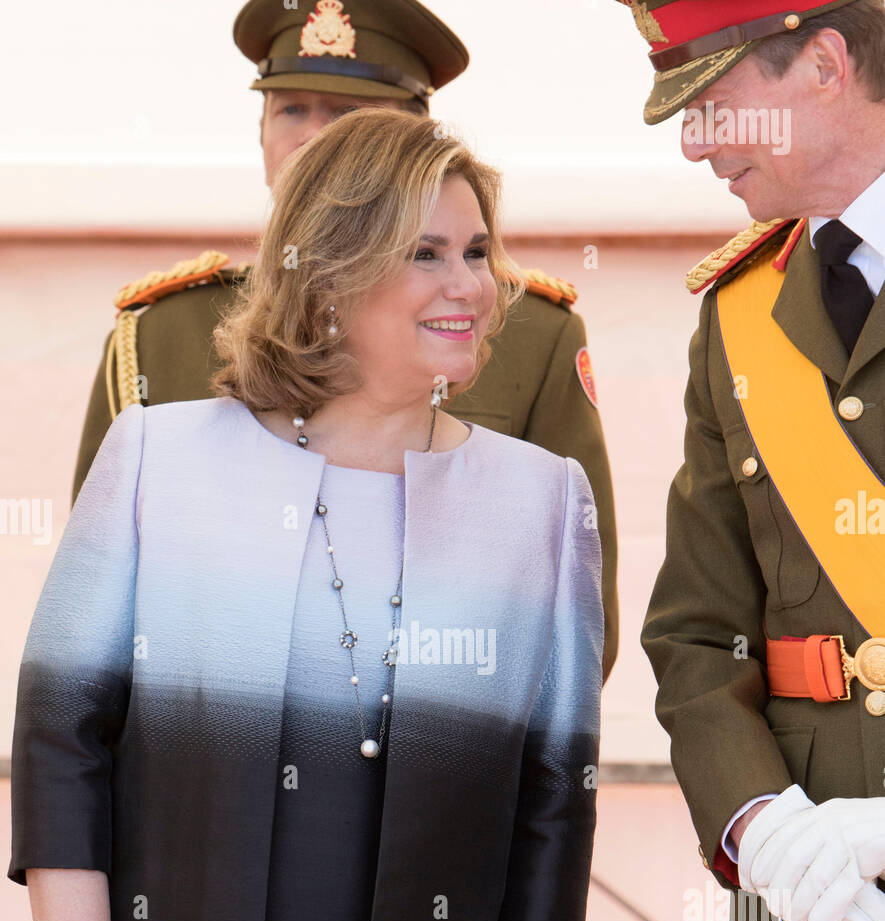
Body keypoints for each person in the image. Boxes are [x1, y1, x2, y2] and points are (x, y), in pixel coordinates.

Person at [0, 108, 604, 921]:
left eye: (477, 251)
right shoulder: (159, 458)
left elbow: (554, 796)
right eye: (425, 253)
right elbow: (61, 734)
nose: (472, 287)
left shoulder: (542, 500)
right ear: (327, 273)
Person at [71, 0, 619, 683]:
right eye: (290, 110)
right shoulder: (159, 333)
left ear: (415, 143)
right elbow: (94, 629)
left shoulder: (521, 330)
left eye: (346, 117)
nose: (311, 139)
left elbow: (574, 627)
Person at [629, 0, 885, 921]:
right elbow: (693, 630)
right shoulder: (739, 317)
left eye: (717, 103)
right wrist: (759, 820)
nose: (695, 148)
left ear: (827, 61)